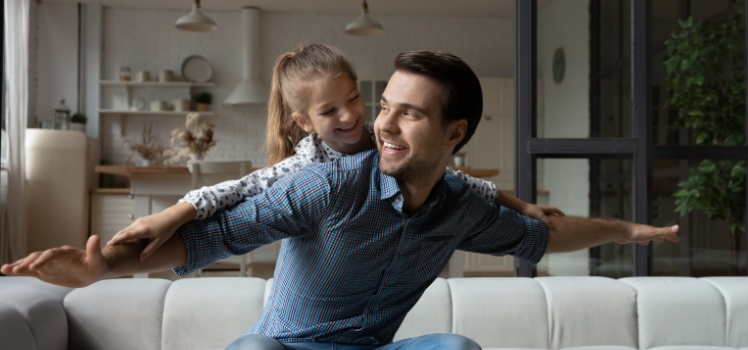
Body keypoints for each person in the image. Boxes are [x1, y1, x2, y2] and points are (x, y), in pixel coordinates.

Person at [1, 50, 680, 350]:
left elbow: (546, 237)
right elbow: (215, 234)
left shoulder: (460, 205)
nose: (378, 122)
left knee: (456, 348)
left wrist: (625, 228)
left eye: (406, 115)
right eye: (382, 106)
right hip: (283, 347)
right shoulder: (324, 182)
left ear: (455, 134)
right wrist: (101, 271)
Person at [106, 43, 564, 262]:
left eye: (354, 100)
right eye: (329, 111)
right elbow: (242, 188)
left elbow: (458, 180)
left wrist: (520, 205)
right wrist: (175, 214)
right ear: (304, 122)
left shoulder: (380, 139)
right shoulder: (309, 163)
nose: (349, 117)